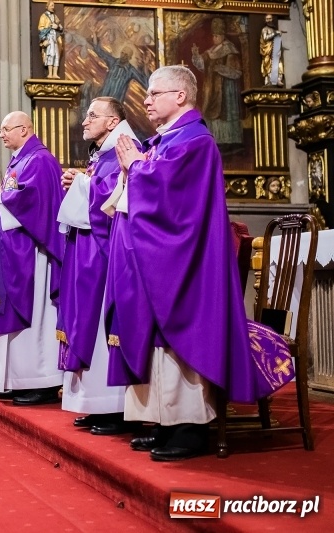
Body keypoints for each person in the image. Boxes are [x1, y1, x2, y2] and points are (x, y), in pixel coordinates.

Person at [104, 65, 258, 461]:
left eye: (155, 93)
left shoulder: (195, 141)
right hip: (158, 259)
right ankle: (164, 422)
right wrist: (136, 166)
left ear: (181, 97)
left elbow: (170, 198)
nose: (147, 99)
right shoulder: (165, 139)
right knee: (153, 339)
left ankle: (190, 429)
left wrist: (136, 166)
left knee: (176, 339)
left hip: (184, 263)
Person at [56, 97, 139, 435]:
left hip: (106, 253)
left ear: (112, 120)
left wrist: (82, 183)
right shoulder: (103, 151)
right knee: (87, 325)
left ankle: (114, 407)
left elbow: (120, 194)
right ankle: (95, 403)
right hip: (90, 250)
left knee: (102, 326)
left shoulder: (125, 145)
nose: (84, 121)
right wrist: (81, 179)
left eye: (92, 115)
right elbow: (101, 186)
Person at [0, 111, 65, 406]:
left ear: (25, 129)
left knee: (36, 315)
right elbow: (14, 194)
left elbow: (34, 202)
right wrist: (0, 197)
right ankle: (19, 380)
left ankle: (42, 380)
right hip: (14, 250)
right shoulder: (20, 160)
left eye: (6, 129)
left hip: (33, 252)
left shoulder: (39, 160)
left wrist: (0, 198)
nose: (1, 134)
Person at [191, 18, 243, 148]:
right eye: (213, 36)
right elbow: (202, 66)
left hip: (226, 90)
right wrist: (196, 55)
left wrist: (221, 69)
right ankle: (214, 141)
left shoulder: (230, 50)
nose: (214, 38)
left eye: (216, 36)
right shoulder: (210, 52)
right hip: (211, 88)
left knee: (224, 113)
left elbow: (236, 72)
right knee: (211, 112)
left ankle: (230, 142)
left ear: (222, 36)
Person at [91, 34, 149, 103]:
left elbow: (145, 82)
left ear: (130, 58)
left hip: (115, 105)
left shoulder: (131, 70)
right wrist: (94, 33)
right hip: (102, 100)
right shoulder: (113, 62)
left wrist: (146, 65)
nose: (123, 56)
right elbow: (99, 51)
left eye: (126, 55)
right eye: (122, 53)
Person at [38, 1, 64, 79]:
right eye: (52, 5)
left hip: (55, 37)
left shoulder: (55, 16)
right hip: (49, 37)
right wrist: (44, 39)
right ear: (47, 6)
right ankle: (50, 73)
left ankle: (55, 73)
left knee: (56, 55)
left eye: (53, 5)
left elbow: (61, 28)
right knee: (51, 54)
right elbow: (41, 28)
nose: (53, 7)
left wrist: (57, 27)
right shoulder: (44, 16)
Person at [260, 14, 284, 87]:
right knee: (268, 64)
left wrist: (278, 34)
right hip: (267, 49)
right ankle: (269, 79)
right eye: (267, 19)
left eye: (270, 18)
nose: (268, 20)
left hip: (275, 49)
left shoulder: (274, 29)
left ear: (272, 19)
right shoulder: (265, 29)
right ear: (265, 20)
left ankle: (278, 78)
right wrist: (275, 33)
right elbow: (265, 38)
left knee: (278, 63)